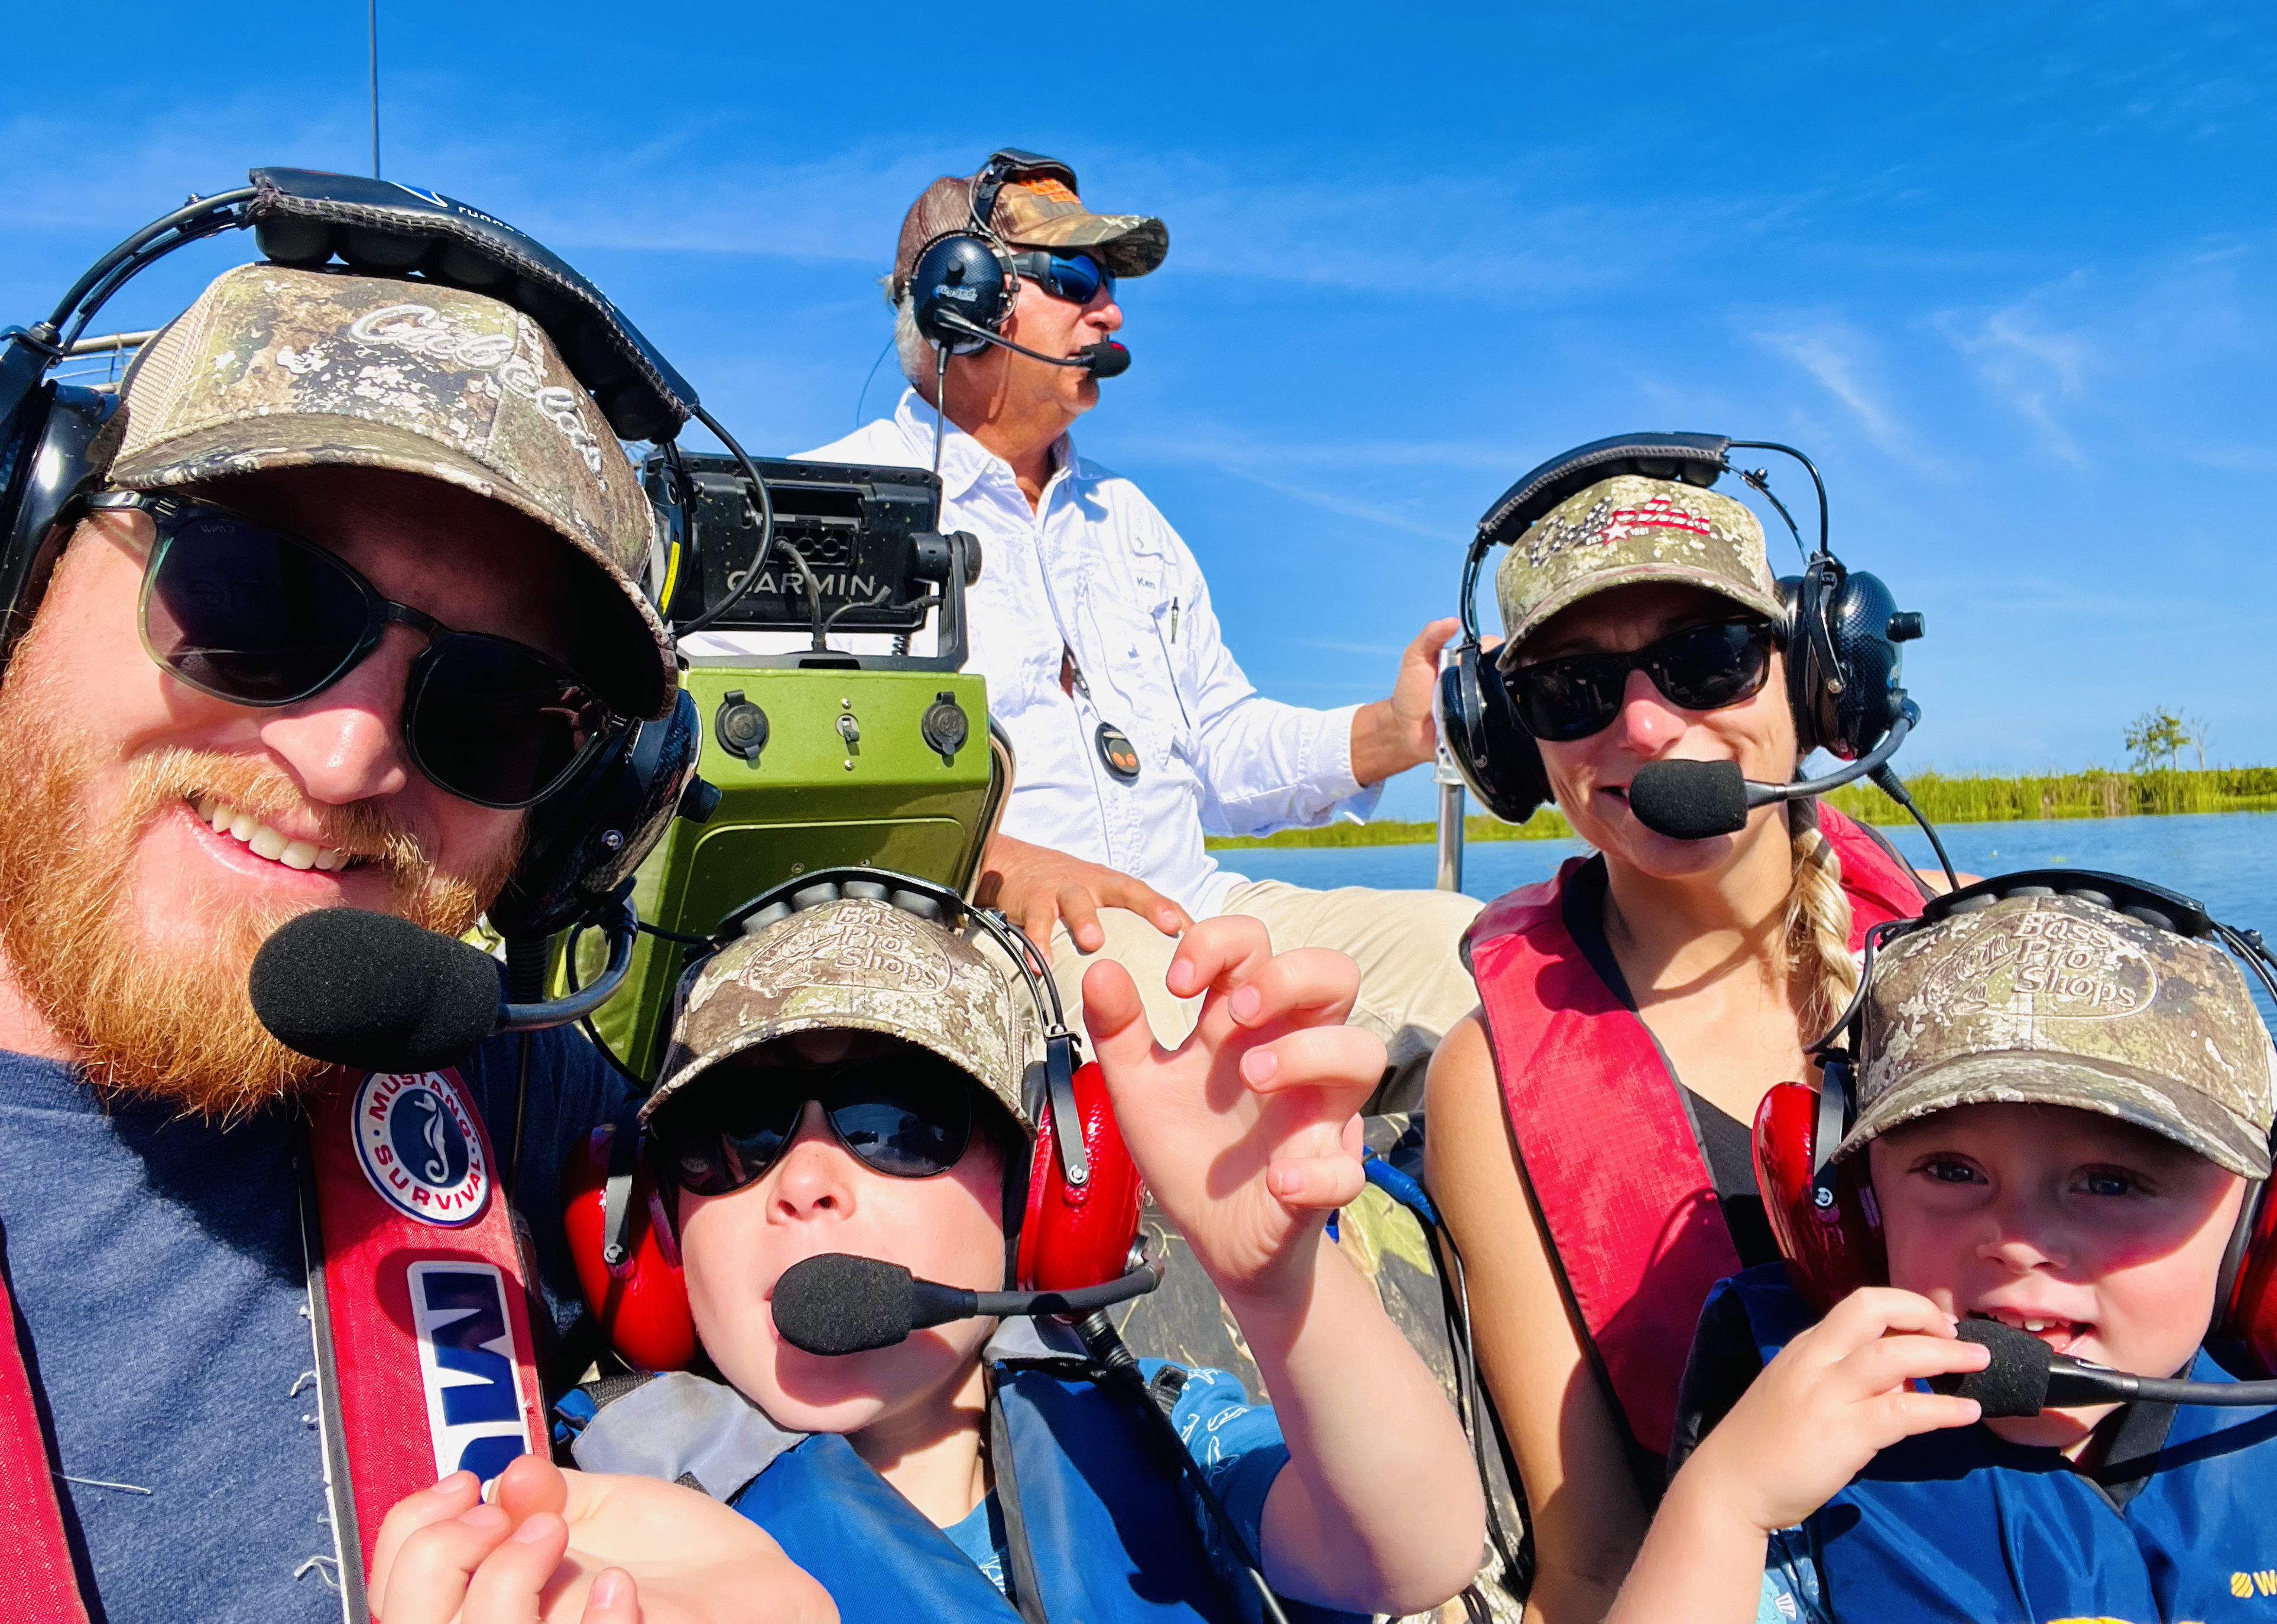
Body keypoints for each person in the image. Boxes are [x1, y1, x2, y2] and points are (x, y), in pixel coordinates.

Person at [0, 261, 825, 1621]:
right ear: (24, 569)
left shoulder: (507, 1098)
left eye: (500, 708)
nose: (343, 760)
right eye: (252, 597)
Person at [373, 897, 1487, 1621]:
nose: (806, 1178)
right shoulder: (609, 1514)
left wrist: (1279, 1284)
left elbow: (1408, 1551)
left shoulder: (1157, 1420)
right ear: (654, 1234)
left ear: (1043, 1198)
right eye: (737, 1139)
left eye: (894, 1123)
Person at [696, 149, 1480, 1109]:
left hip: (1200, 909)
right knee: (1163, 1008)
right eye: (1077, 281)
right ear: (964, 300)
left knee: (1490, 959)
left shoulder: (1134, 520)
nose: (1110, 314)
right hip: (989, 941)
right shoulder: (813, 515)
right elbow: (733, 788)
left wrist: (1393, 735)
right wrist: (987, 856)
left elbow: (1223, 753)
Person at [1422, 469, 1952, 1619]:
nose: (1649, 726)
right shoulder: (1489, 1083)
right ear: (1513, 742)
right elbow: (1595, 1558)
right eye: (1571, 690)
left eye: (1710, 659)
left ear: (1819, 677)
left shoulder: (1979, 954)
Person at [1607, 890, 2277, 1623]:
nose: (2017, 1240)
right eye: (1953, 1172)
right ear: (1854, 1211)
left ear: (2263, 1229)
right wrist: (1726, 1506)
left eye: (2111, 1183)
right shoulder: (1797, 1458)